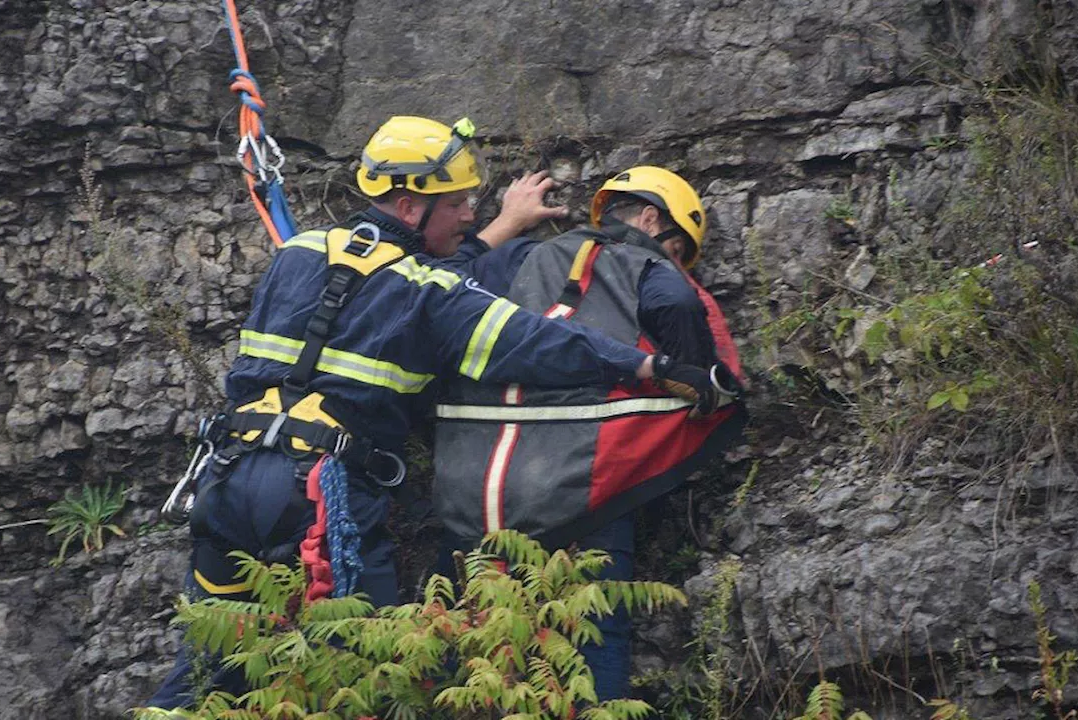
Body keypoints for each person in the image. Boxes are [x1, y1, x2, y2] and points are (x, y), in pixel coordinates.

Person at [145, 119, 728, 709]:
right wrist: (651, 370)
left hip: (227, 478)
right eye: (458, 204)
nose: (470, 216)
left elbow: (400, 279)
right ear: (409, 204)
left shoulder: (297, 254)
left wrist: (503, 226)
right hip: (321, 498)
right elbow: (537, 342)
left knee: (206, 667)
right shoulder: (433, 293)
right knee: (373, 673)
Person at [432, 165, 747, 701]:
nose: (676, 264)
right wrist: (693, 370)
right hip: (579, 491)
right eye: (676, 250)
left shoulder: (516, 257)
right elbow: (680, 313)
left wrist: (504, 223)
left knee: (469, 655)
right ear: (650, 219)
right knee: (595, 639)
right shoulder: (647, 266)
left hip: (472, 493)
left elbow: (445, 293)